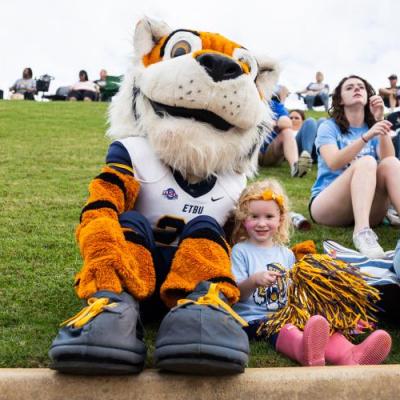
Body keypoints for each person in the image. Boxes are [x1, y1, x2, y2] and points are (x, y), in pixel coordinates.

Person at [231, 178, 392, 366]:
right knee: (285, 328)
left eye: (269, 217)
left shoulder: (285, 254)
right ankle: (303, 350)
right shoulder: (240, 251)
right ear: (243, 219)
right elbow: (237, 294)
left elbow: (293, 292)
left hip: (285, 312)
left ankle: (350, 354)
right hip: (254, 319)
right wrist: (254, 280)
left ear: (280, 219)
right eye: (254, 216)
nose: (261, 223)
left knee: (317, 324)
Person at [309, 75, 400, 259]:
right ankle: (362, 233)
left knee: (390, 163)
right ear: (340, 100)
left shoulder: (372, 127)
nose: (356, 89)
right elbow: (334, 161)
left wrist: (379, 122)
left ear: (368, 97)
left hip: (368, 208)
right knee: (367, 162)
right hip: (328, 206)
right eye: (349, 87)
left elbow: (390, 162)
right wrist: (365, 137)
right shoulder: (329, 127)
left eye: (361, 87)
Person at [259, 86, 312, 177]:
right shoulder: (248, 103)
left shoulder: (274, 105)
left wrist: (273, 123)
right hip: (252, 151)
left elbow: (287, 122)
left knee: (287, 131)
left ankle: (296, 169)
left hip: (270, 151)